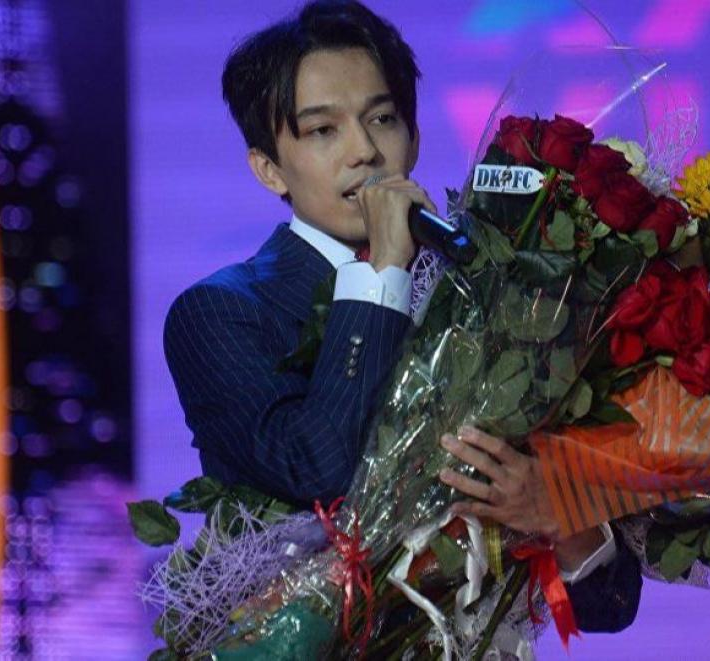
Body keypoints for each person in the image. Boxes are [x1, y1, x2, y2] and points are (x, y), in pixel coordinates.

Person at [163, 0, 640, 633]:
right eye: (323, 130)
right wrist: (385, 268)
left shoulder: (494, 291)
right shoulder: (220, 313)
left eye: (382, 119)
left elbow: (609, 609)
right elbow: (319, 467)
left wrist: (559, 512)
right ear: (269, 168)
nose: (364, 151)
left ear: (413, 137)